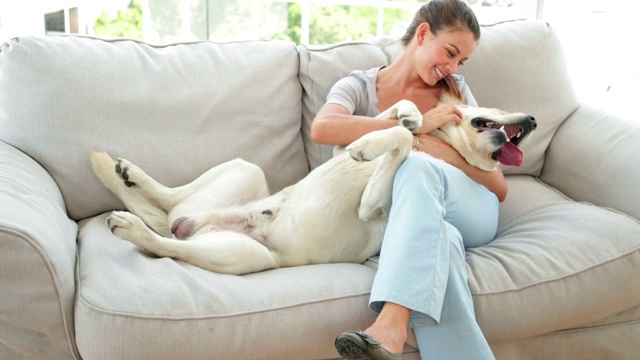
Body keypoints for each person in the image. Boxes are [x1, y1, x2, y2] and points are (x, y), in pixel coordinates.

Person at [310, 1, 504, 359]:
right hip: (419, 218)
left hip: (473, 206)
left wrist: (429, 146)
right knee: (440, 241)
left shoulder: (456, 92)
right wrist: (415, 126)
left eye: (460, 61)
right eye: (450, 52)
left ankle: (392, 324)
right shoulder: (360, 86)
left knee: (415, 167)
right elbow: (323, 128)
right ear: (423, 32)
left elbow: (499, 186)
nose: (452, 67)